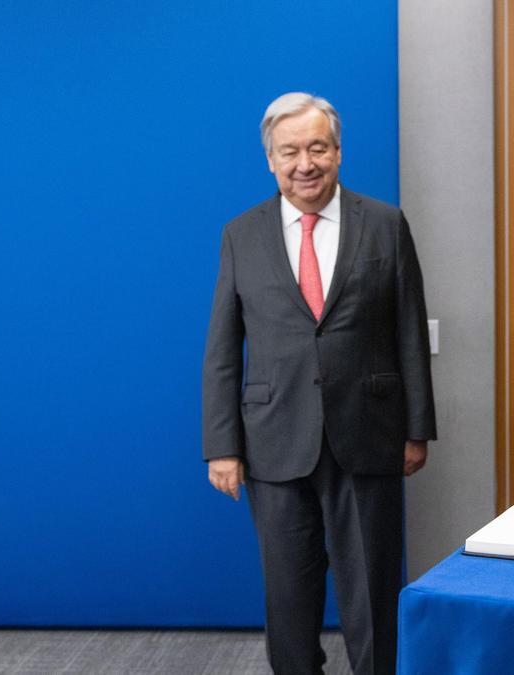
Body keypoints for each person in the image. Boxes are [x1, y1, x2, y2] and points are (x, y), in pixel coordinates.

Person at [202, 92, 436, 675]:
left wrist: (417, 430)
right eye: (290, 152)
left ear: (337, 151)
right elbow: (223, 349)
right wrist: (222, 447)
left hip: (369, 434)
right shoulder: (241, 234)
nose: (304, 163)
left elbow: (408, 329)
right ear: (270, 160)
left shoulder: (385, 224)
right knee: (287, 594)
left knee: (373, 592)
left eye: (317, 148)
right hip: (273, 441)